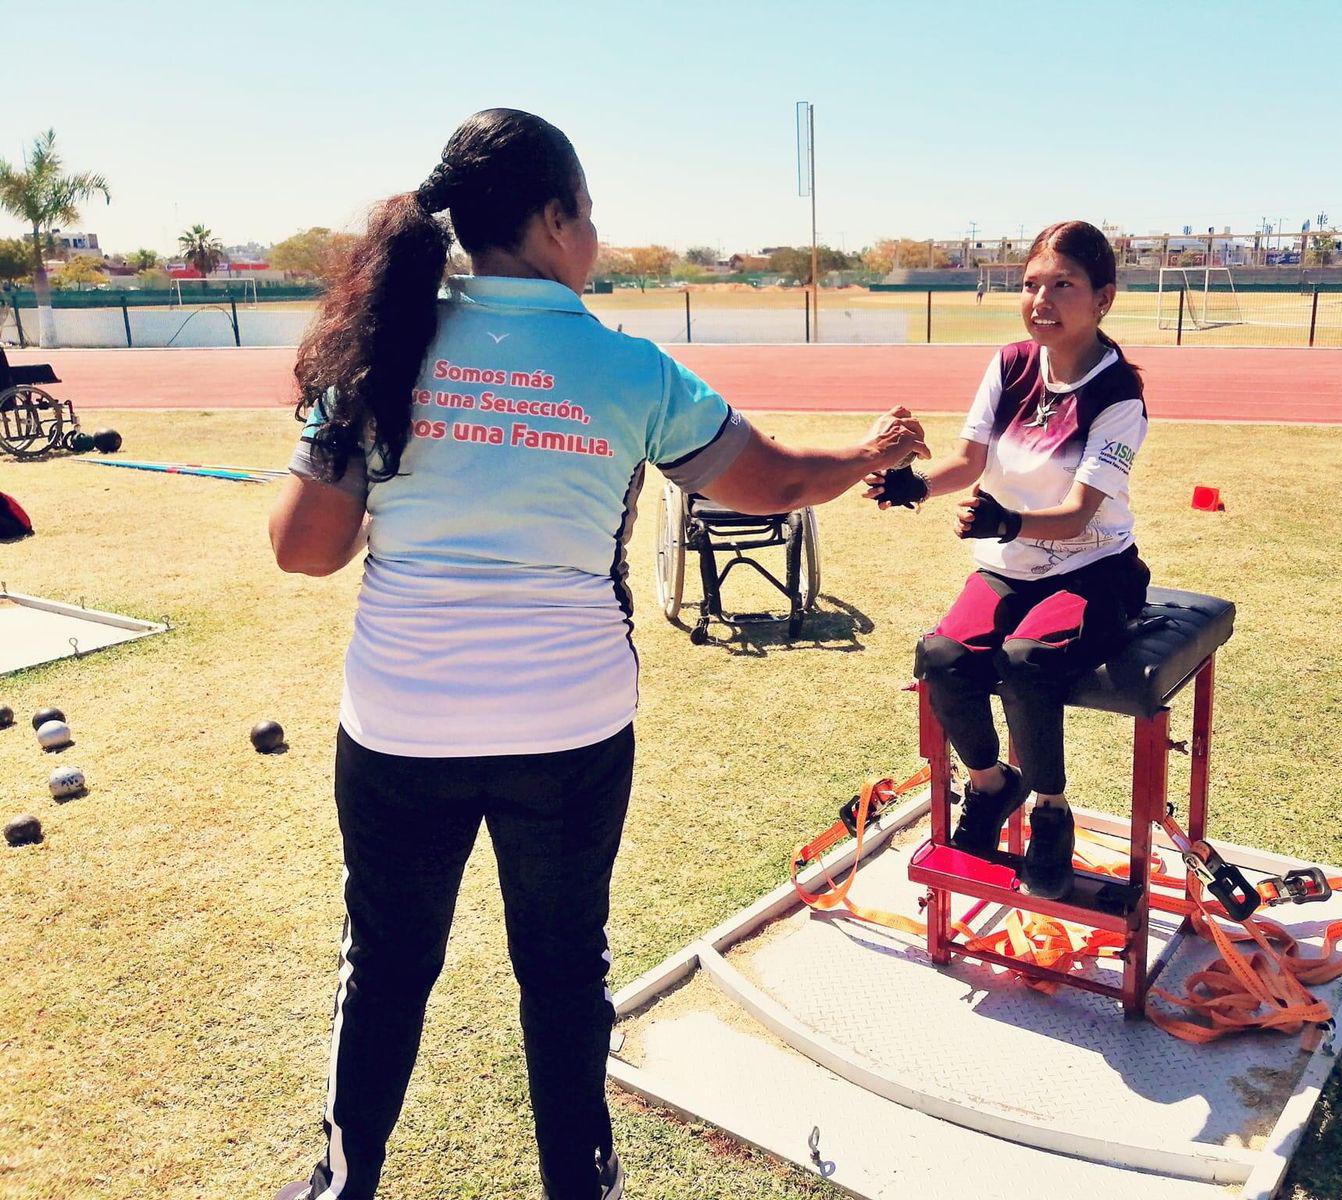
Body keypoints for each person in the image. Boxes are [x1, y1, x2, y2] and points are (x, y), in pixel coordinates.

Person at [268, 108, 926, 1200]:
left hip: (399, 727)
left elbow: (304, 550)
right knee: (564, 975)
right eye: (589, 215)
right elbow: (773, 484)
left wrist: (353, 441)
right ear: (552, 216)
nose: (596, 239)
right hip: (567, 730)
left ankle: (342, 1186)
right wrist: (864, 454)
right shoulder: (627, 368)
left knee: (384, 967)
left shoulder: (381, 347)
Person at [864, 220, 1149, 901]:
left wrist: (1009, 518)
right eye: (1030, 285)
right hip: (1011, 563)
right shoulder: (1010, 364)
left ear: (1103, 298)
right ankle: (993, 787)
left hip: (1095, 571)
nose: (1040, 300)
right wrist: (912, 486)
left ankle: (1050, 811)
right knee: (941, 657)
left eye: (1062, 285)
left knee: (1027, 660)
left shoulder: (1119, 396)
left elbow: (1080, 513)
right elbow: (967, 462)